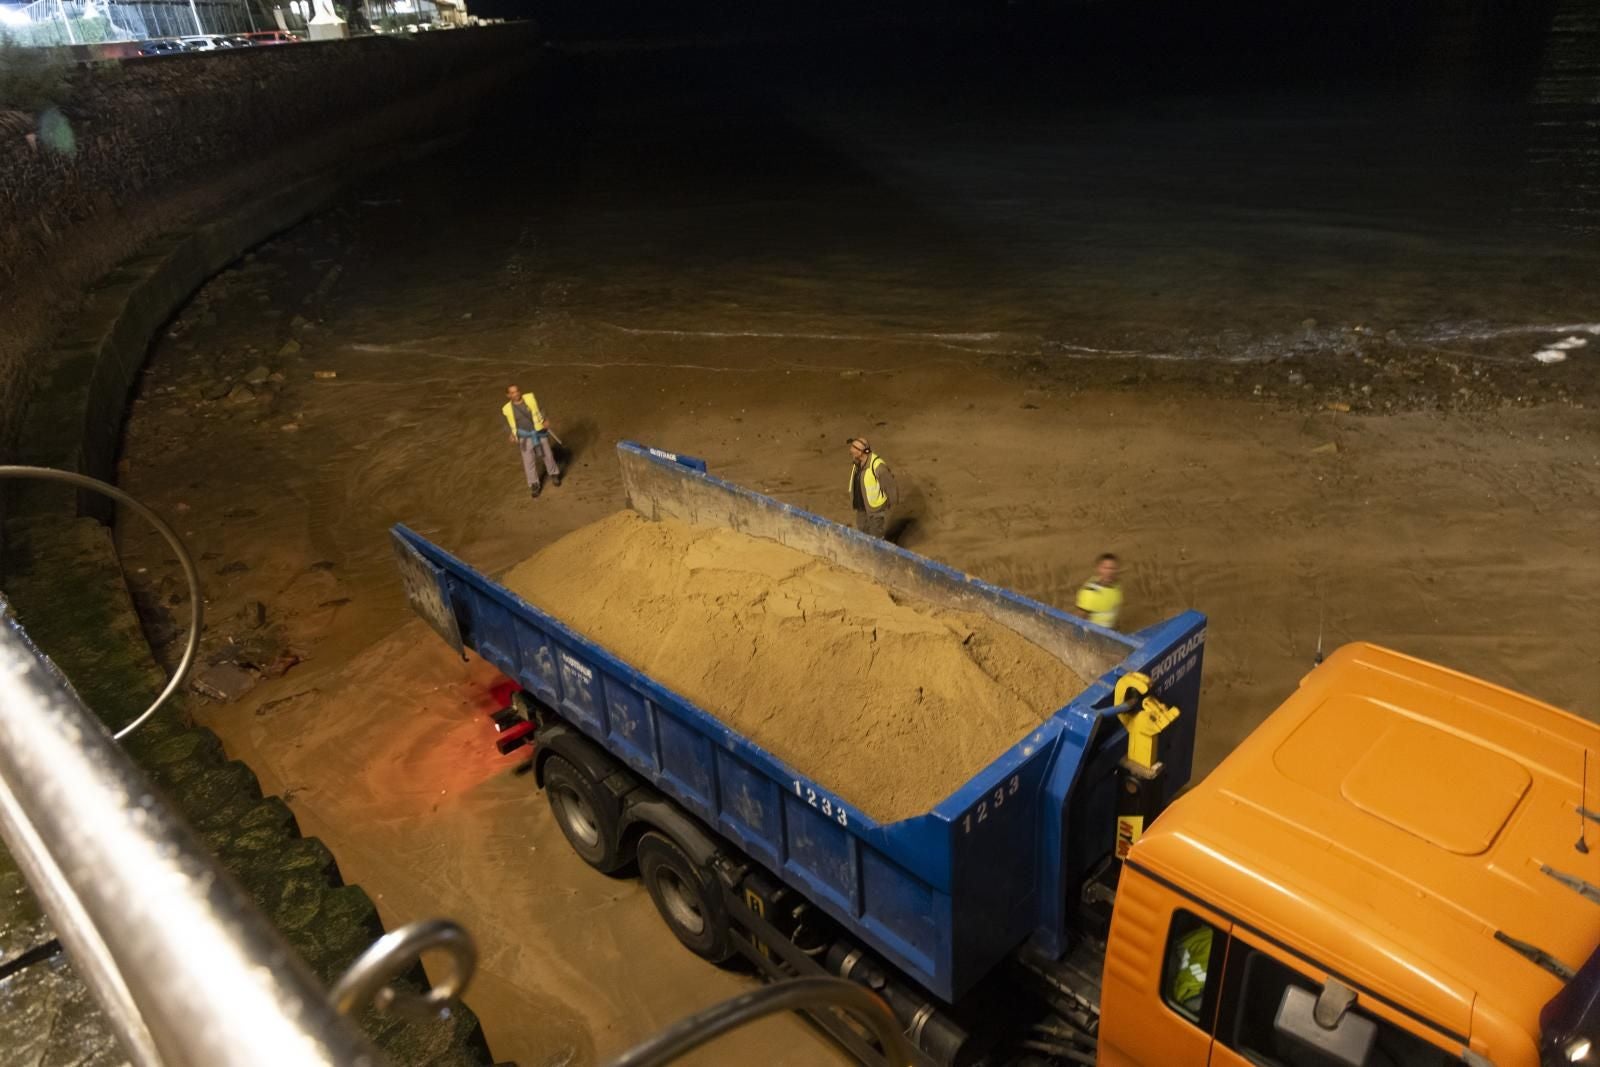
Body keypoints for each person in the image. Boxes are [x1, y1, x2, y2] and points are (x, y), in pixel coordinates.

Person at [502, 385, 561, 498]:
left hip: (538, 431)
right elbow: (508, 423)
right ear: (508, 395)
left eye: (517, 391)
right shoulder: (507, 409)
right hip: (524, 437)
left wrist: (545, 419)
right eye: (512, 393)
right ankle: (534, 484)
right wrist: (511, 433)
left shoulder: (530, 398)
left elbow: (541, 409)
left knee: (548, 455)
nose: (516, 394)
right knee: (528, 461)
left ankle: (554, 474)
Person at [847, 437, 896, 538]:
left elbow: (890, 485)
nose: (851, 451)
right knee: (862, 531)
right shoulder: (857, 463)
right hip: (861, 506)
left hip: (875, 508)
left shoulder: (878, 466)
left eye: (854, 449)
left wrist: (891, 502)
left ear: (861, 452)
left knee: (876, 536)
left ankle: (880, 553)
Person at [1074, 553, 1123, 629]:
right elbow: (1078, 621)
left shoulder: (1117, 587)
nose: (1109, 572)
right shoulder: (1089, 593)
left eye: (1112, 568)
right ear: (1099, 569)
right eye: (1105, 568)